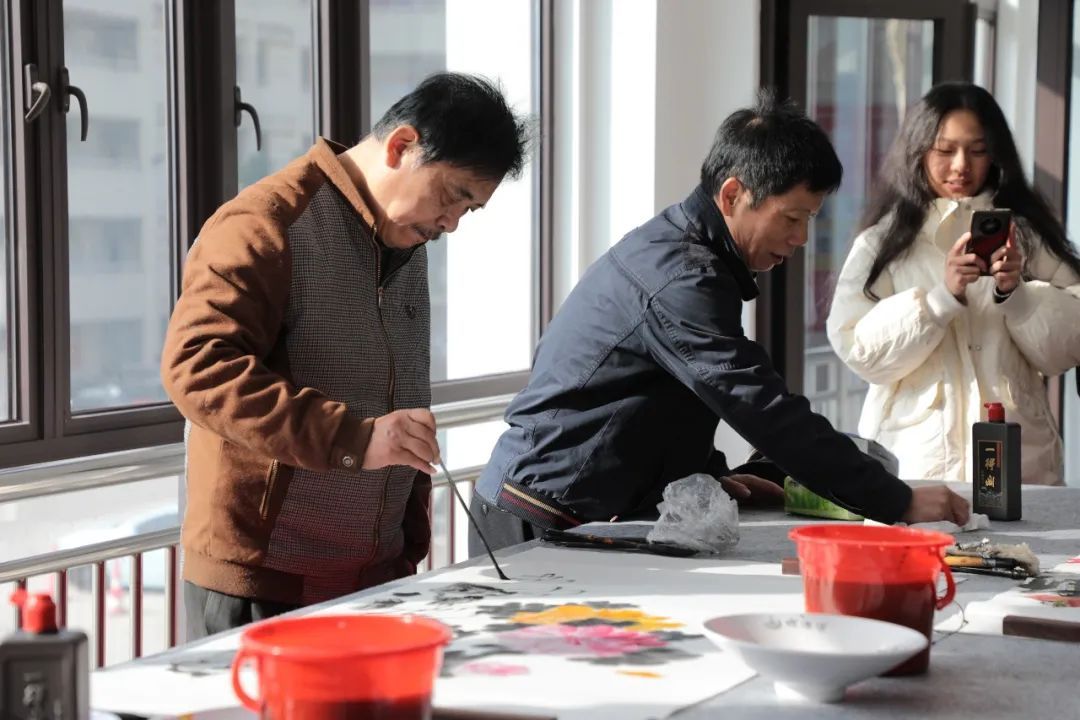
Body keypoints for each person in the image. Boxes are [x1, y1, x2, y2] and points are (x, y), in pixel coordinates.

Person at [470, 90, 969, 554]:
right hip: (535, 513)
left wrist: (705, 471)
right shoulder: (681, 276)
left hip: (568, 508)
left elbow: (664, 387)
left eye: (809, 220)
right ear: (732, 195)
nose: (800, 238)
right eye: (791, 218)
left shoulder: (689, 254)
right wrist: (895, 499)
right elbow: (758, 404)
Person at [161, 72, 530, 639]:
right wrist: (353, 439)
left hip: (373, 576)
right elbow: (198, 368)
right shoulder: (267, 223)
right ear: (401, 146)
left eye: (470, 210)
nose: (451, 224)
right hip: (263, 580)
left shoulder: (405, 237)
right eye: (452, 195)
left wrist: (404, 543)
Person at [826, 82, 1080, 486]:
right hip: (917, 468)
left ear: (995, 155)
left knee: (1023, 530)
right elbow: (857, 350)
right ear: (918, 151)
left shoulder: (1026, 238)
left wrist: (1017, 297)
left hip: (1019, 466)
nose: (961, 165)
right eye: (945, 150)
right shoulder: (883, 243)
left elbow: (1069, 347)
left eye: (977, 150)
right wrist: (939, 301)